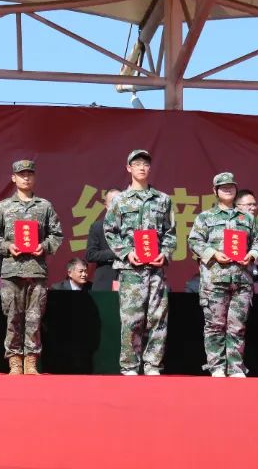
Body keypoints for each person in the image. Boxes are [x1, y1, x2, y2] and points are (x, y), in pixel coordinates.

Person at [0, 159, 64, 375]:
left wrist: (43, 246)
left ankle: (31, 360)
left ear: (34, 177)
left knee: (34, 318)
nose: (26, 178)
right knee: (13, 317)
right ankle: (14, 361)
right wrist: (7, 246)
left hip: (36, 270)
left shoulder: (44, 206)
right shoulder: (3, 206)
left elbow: (57, 234)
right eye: (21, 175)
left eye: (29, 174)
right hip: (12, 271)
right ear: (13, 178)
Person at [103, 149, 176, 376]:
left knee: (158, 317)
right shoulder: (120, 200)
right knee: (131, 318)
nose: (142, 167)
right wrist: (126, 253)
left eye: (145, 164)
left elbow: (171, 233)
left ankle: (153, 364)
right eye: (137, 164)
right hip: (131, 269)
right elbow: (110, 231)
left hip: (155, 269)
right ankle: (130, 365)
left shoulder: (163, 199)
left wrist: (165, 253)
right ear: (129, 168)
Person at [188, 172, 258, 378]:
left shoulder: (247, 218)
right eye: (223, 187)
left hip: (241, 280)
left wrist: (252, 254)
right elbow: (194, 241)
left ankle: (236, 367)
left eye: (231, 186)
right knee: (215, 325)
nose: (227, 189)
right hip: (215, 280)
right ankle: (217, 366)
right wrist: (213, 254)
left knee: (237, 326)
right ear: (215, 191)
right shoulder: (205, 217)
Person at [85, 188, 121, 290]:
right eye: (112, 202)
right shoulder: (97, 227)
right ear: (106, 205)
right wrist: (115, 253)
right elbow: (90, 255)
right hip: (106, 279)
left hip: (131, 281)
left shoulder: (134, 225)